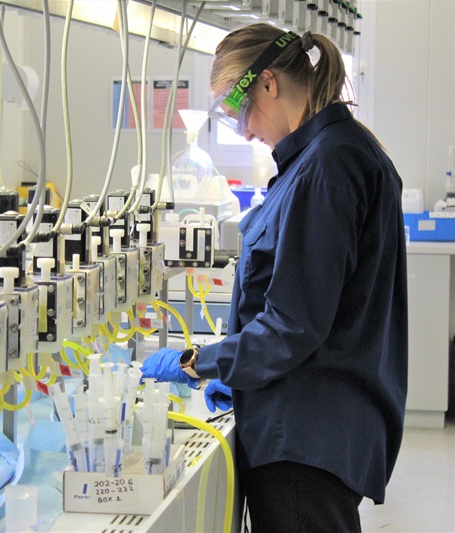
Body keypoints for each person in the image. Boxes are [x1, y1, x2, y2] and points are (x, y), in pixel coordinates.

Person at [142, 24, 408, 532]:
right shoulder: (324, 156)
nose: (242, 131)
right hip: (306, 428)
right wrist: (239, 379)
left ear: (267, 83)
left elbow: (293, 325)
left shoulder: (328, 166)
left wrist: (199, 362)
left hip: (304, 439)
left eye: (235, 110)